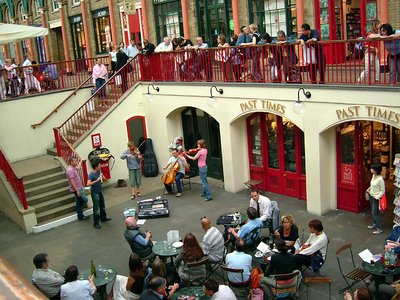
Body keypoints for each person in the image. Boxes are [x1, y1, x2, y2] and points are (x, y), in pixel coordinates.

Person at [87, 160, 111, 229]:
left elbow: (105, 180)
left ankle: (103, 217)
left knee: (102, 205)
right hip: (95, 193)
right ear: (96, 167)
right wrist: (97, 180)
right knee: (96, 208)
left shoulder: (99, 172)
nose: (100, 166)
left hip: (100, 191)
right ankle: (96, 223)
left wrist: (102, 177)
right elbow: (88, 183)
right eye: (99, 165)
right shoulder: (91, 174)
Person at [66, 157, 89, 221]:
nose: (76, 162)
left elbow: (78, 168)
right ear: (71, 162)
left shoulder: (73, 168)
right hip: (77, 189)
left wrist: (81, 161)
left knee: (79, 202)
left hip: (79, 187)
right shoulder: (70, 170)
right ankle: (80, 213)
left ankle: (80, 216)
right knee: (84, 200)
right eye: (75, 161)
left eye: (76, 161)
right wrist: (77, 190)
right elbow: (72, 181)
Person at [366, 162, 385, 234]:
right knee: (373, 211)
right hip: (371, 195)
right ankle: (374, 224)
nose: (371, 169)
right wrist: (369, 188)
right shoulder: (373, 176)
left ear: (376, 170)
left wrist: (377, 197)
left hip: (376, 198)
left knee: (375, 212)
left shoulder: (380, 179)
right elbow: (373, 185)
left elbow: (382, 190)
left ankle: (379, 228)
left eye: (372, 168)